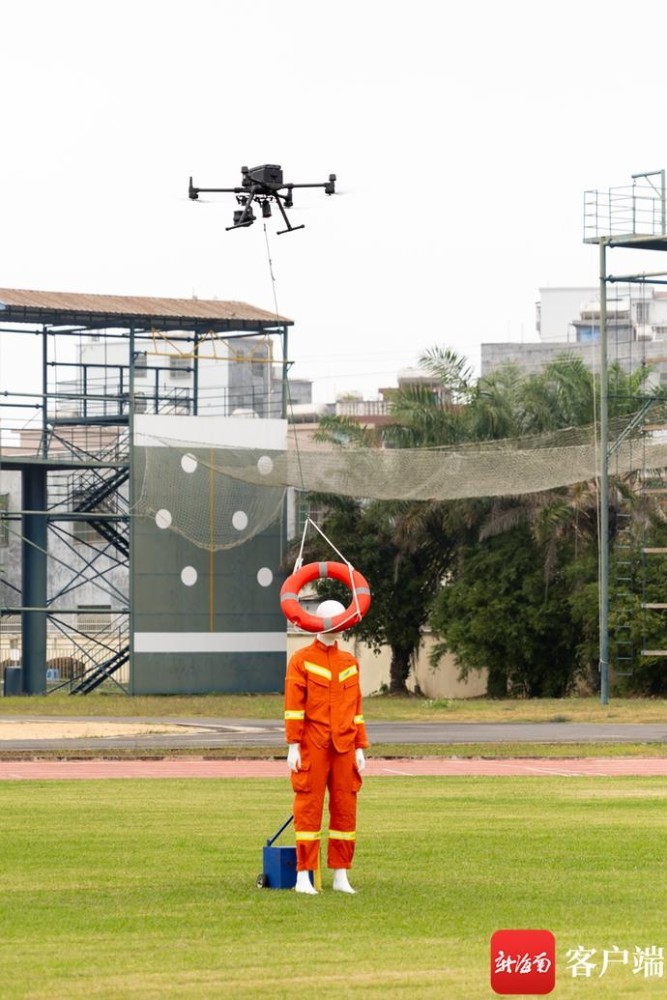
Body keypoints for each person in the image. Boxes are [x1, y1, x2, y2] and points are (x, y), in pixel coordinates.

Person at [284, 599, 369, 894]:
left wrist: (360, 747)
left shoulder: (350, 662)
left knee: (345, 809)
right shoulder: (301, 659)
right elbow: (294, 706)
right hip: (313, 745)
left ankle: (341, 875)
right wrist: (293, 744)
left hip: (345, 746)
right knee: (308, 808)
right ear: (318, 621)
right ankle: (302, 876)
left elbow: (356, 709)